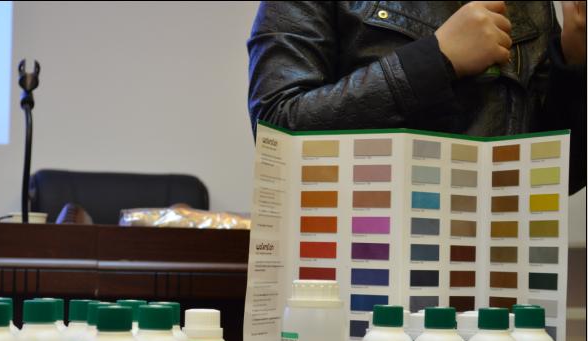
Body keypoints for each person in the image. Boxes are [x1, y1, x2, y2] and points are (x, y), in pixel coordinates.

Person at [247, 1, 586, 194]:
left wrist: (576, 54)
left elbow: (554, 181)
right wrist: (435, 61)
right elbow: (276, 128)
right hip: (362, 264)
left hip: (498, 273)